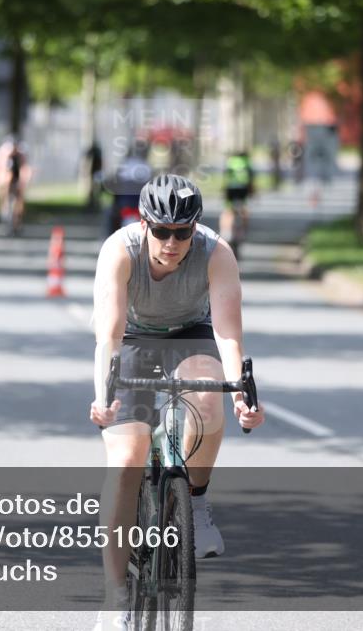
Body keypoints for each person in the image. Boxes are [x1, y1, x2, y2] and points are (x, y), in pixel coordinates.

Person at [89, 174, 265, 629]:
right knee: (126, 460)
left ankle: (197, 503)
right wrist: (102, 397)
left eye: (182, 232)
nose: (171, 242)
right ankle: (115, 600)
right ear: (144, 223)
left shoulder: (216, 253)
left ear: (195, 228)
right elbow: (107, 334)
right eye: (162, 231)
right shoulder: (119, 250)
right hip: (130, 338)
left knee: (208, 403)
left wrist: (241, 394)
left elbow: (227, 333)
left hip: (190, 336)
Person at [105, 140, 151, 236]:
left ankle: (108, 238)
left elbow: (115, 184)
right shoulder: (147, 166)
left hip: (125, 204)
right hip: (140, 206)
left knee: (110, 215)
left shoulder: (124, 164)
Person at [219, 149, 254, 253]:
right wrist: (253, 192)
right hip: (243, 189)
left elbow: (225, 177)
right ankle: (243, 231)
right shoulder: (247, 162)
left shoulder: (230, 161)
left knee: (228, 210)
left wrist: (223, 191)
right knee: (244, 209)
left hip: (231, 189)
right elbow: (251, 179)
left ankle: (225, 232)